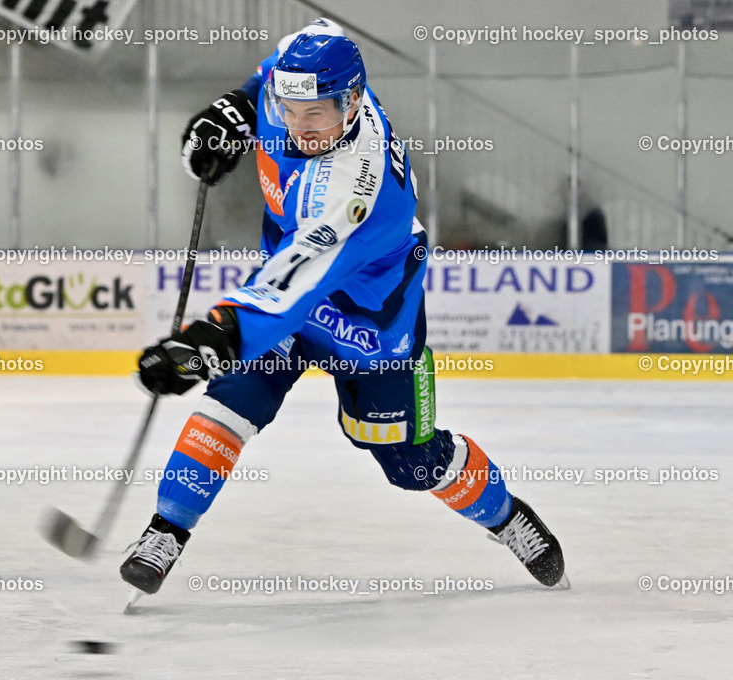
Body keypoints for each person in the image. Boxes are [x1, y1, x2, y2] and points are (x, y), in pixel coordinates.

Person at [121, 19, 567, 596]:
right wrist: (234, 108)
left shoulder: (354, 191)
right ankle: (167, 530)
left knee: (409, 463)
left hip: (366, 322)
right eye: (289, 110)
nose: (301, 128)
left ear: (352, 103)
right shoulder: (315, 77)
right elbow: (277, 70)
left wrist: (215, 340)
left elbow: (291, 287)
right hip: (288, 296)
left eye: (317, 116)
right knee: (236, 398)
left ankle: (508, 518)